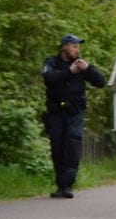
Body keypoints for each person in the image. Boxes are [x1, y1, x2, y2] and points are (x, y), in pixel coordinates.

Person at [42, 34, 106, 199]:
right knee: (57, 147)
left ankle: (68, 185)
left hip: (75, 112)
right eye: (73, 46)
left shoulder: (81, 65)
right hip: (56, 112)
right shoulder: (51, 63)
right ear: (64, 47)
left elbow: (100, 82)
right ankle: (60, 185)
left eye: (78, 46)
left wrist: (88, 69)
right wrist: (69, 72)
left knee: (72, 145)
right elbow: (48, 79)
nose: (77, 49)